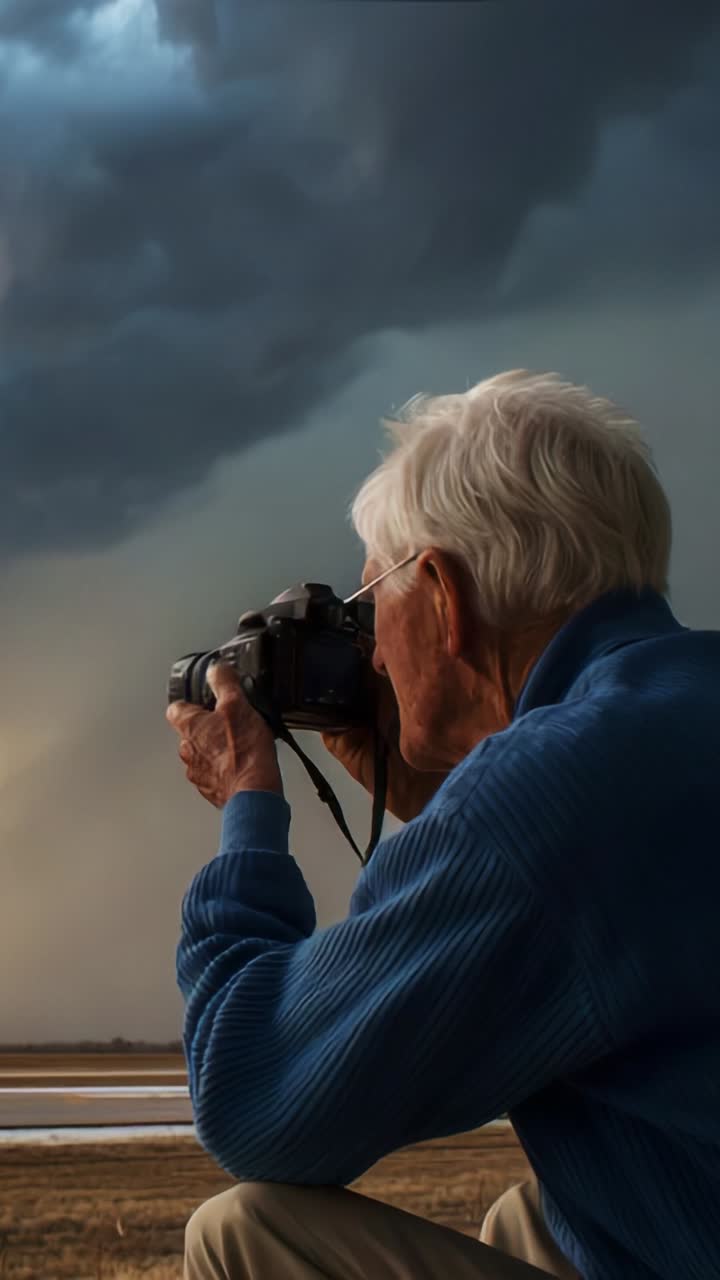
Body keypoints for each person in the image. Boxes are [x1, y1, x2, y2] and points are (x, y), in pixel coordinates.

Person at [166, 369, 720, 1280]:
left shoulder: (545, 796)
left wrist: (249, 816)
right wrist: (440, 798)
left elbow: (251, 1098)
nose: (372, 650)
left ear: (441, 592)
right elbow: (593, 929)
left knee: (246, 1232)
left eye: (370, 603)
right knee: (539, 1215)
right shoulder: (665, 717)